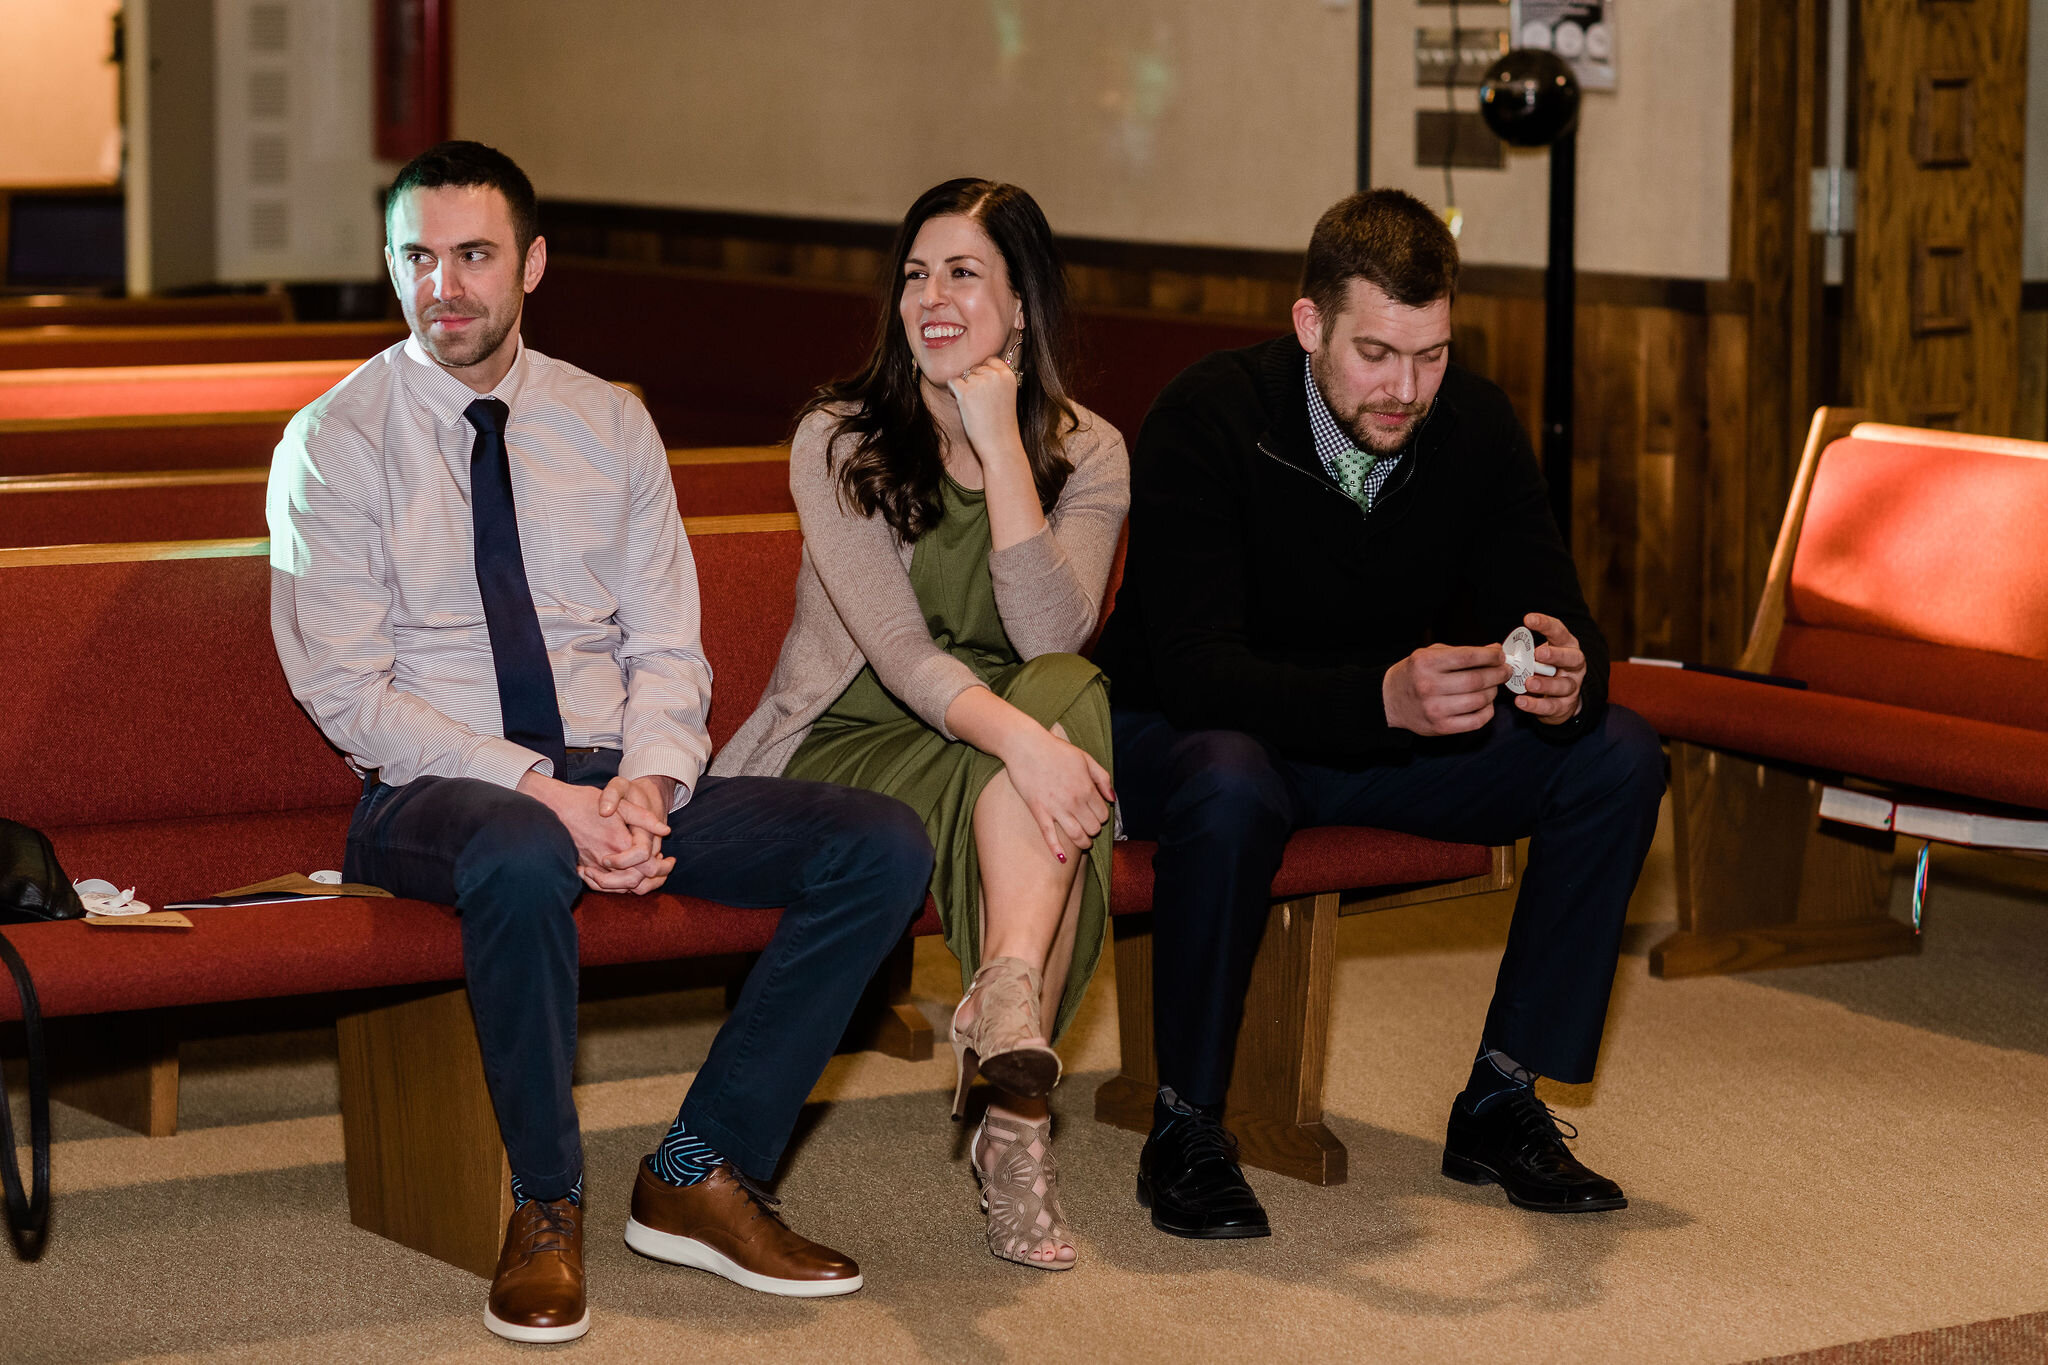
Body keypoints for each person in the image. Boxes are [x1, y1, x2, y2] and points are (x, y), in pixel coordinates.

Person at [268, 141, 935, 1344]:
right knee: (524, 849)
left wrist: (644, 784)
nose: (443, 287)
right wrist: (541, 791)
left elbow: (666, 646)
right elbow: (350, 691)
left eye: (473, 255)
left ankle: (698, 1164)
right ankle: (545, 1199)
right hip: (434, 791)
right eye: (416, 256)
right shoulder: (334, 439)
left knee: (880, 842)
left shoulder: (605, 422)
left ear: (531, 263)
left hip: (607, 772)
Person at [1093, 188, 1665, 1240]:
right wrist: (1380, 698)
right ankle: (1185, 1125)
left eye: (1431, 355)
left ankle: (1499, 1097)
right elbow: (1194, 671)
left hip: (1372, 735)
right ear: (1308, 324)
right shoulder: (1206, 414)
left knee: (1617, 753)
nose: (1405, 389)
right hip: (1195, 736)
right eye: (1375, 355)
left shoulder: (1475, 423)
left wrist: (1566, 673)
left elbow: (1551, 602)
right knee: (1227, 776)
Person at [714, 179, 1128, 1271]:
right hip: (853, 741)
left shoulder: (1091, 454)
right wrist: (1027, 744)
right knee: (1063, 752)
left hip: (997, 747)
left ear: (1021, 303)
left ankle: (1003, 999)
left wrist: (1002, 453)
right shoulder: (837, 437)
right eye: (913, 273)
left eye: (962, 273)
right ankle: (1016, 1128)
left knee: (1066, 703)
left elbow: (1048, 636)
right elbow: (899, 658)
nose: (929, 298)